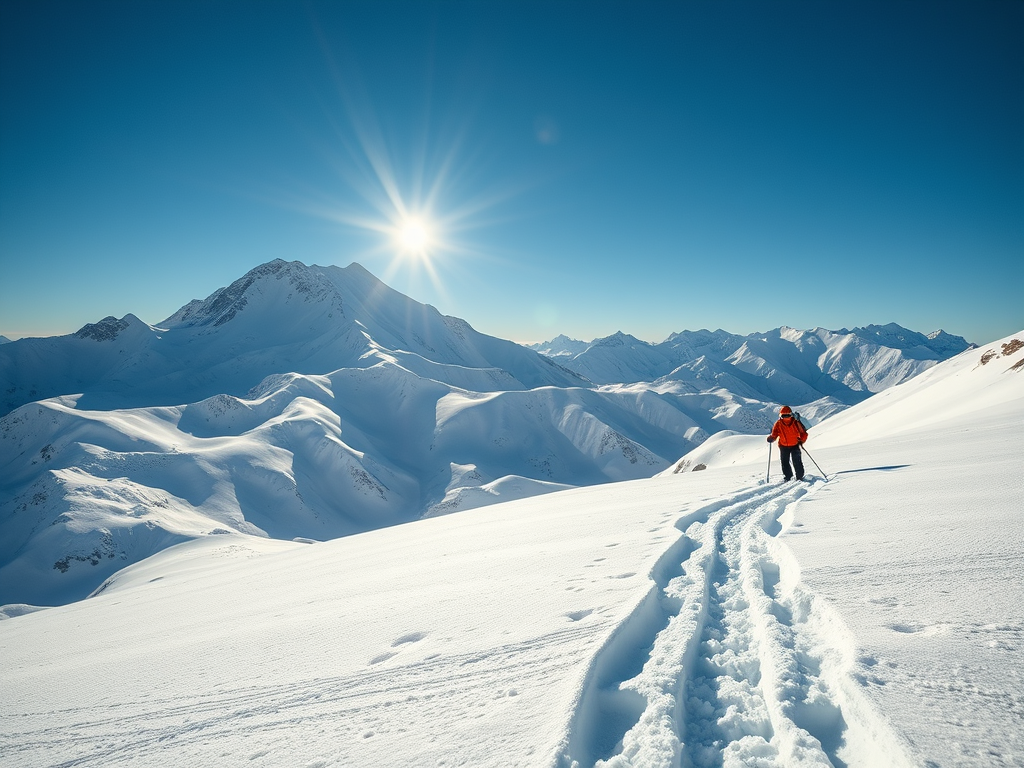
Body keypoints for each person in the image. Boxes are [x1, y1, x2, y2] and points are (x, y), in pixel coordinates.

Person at [767, 405, 809, 481]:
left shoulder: (778, 423)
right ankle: (799, 476)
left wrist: (772, 438)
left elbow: (774, 434)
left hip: (783, 445)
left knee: (785, 462)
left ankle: (788, 477)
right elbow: (804, 433)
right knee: (797, 461)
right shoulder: (796, 422)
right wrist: (801, 441)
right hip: (795, 445)